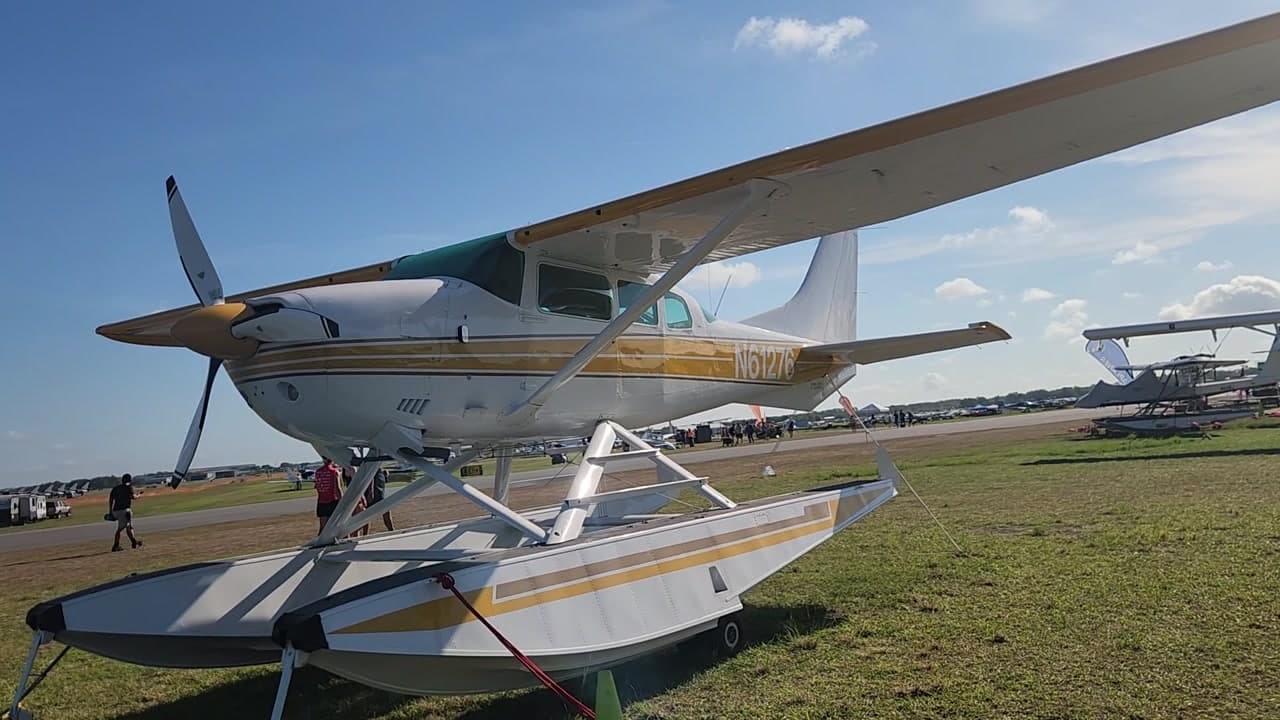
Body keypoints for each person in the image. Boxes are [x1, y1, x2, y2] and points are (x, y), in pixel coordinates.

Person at [108, 474, 142, 552]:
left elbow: (111, 499)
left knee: (128, 526)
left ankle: (134, 542)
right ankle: (116, 546)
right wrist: (139, 495)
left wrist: (110, 511)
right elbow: (133, 497)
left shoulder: (115, 488)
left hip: (116, 511)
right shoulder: (128, 487)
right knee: (121, 528)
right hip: (125, 510)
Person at [313, 457, 341, 535]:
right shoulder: (334, 471)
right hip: (332, 500)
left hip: (321, 501)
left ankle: (318, 543)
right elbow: (337, 488)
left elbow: (317, 486)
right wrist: (341, 500)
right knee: (336, 526)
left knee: (322, 527)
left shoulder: (318, 472)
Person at [363, 465, 395, 532]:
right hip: (375, 493)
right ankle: (391, 530)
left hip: (378, 492)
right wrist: (370, 493)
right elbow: (370, 478)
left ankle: (391, 530)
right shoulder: (373, 468)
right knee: (367, 515)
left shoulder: (378, 469)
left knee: (385, 511)